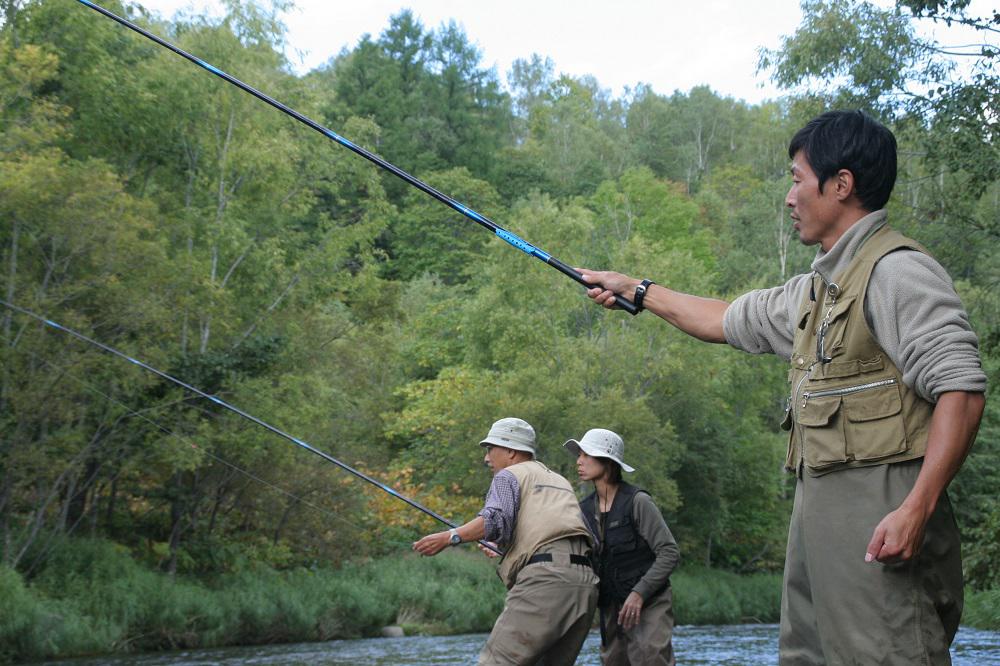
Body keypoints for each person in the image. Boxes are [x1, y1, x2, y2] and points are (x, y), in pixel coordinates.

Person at [579, 110, 986, 665]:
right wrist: (638, 289)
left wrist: (917, 508)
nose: (790, 196)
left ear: (840, 185)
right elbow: (724, 319)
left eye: (797, 178)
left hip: (882, 516)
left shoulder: (898, 272)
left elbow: (960, 391)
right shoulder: (816, 289)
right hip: (816, 522)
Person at [412, 417, 599, 666]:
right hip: (585, 586)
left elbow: (494, 520)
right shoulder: (559, 481)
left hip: (545, 582)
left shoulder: (509, 475)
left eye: (491, 449)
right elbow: (568, 531)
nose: (486, 458)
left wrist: (450, 536)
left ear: (510, 451)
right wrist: (507, 547)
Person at [566, 428, 680, 666]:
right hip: (610, 607)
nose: (579, 461)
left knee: (651, 658)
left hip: (649, 602)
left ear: (607, 461)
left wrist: (639, 593)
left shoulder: (638, 502)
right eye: (579, 455)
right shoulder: (583, 510)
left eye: (586, 455)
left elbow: (669, 552)